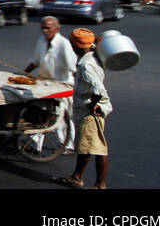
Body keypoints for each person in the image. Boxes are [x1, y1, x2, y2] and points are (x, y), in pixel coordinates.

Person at [54, 28, 111, 189]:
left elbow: (98, 90)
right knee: (85, 146)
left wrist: (93, 106)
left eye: (73, 45)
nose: (72, 48)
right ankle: (76, 177)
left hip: (90, 111)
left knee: (98, 148)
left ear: (77, 46)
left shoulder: (86, 64)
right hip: (89, 109)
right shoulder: (93, 56)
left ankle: (100, 185)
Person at [24, 16, 77, 154]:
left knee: (63, 117)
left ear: (56, 28)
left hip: (62, 85)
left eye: (48, 28)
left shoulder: (64, 44)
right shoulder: (41, 41)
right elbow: (35, 61)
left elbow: (74, 68)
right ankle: (35, 144)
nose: (45, 31)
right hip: (45, 84)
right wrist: (24, 73)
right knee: (41, 114)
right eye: (43, 28)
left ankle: (67, 145)